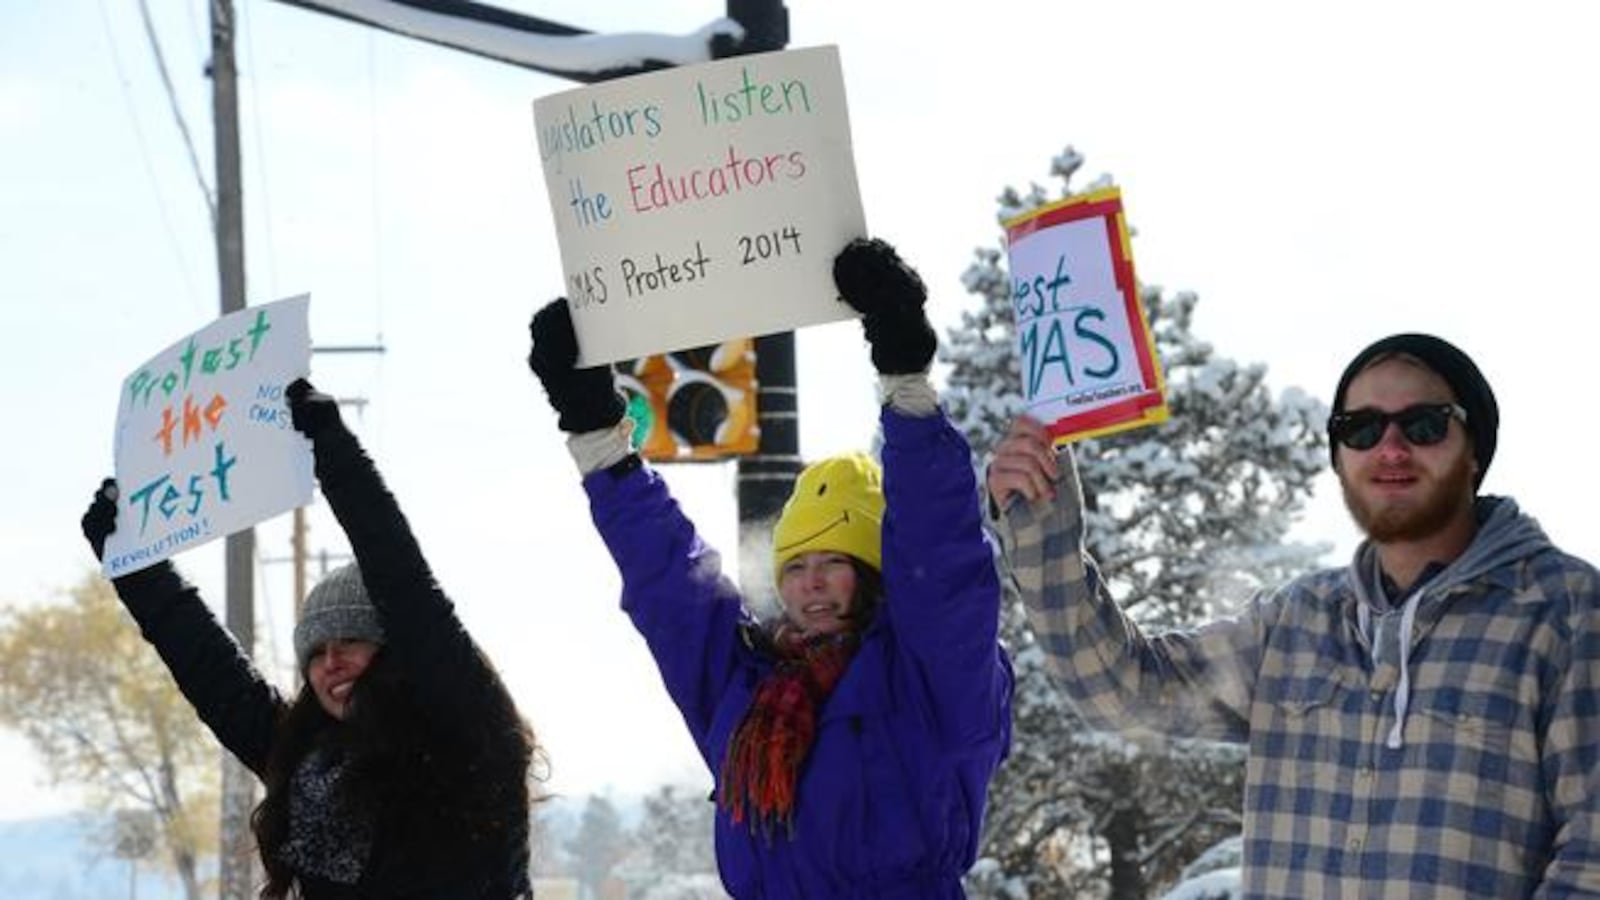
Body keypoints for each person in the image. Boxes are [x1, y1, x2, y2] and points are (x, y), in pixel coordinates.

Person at [985, 332, 1600, 897]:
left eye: (1423, 424)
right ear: (1339, 459)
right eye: (1360, 428)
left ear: (1474, 451)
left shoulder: (1566, 611)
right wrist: (1042, 527)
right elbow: (1123, 689)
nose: (1390, 447)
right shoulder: (1296, 624)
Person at [527, 238, 1013, 898]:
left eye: (834, 563)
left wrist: (906, 379)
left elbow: (943, 559)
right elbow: (672, 587)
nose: (809, 582)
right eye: (796, 565)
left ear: (875, 575)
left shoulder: (931, 679)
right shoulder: (747, 691)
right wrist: (597, 438)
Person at [81, 379, 538, 900]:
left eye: (351, 641)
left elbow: (405, 584)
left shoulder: (470, 735)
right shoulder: (306, 763)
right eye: (315, 653)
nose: (331, 663)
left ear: (399, 652)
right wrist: (135, 566)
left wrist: (334, 452)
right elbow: (215, 674)